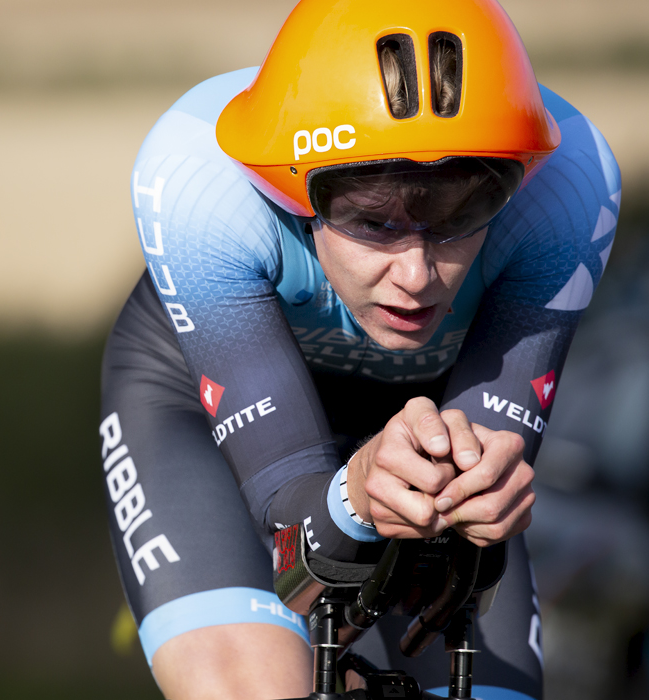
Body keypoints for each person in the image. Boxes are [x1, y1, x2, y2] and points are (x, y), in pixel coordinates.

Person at [98, 0, 621, 698]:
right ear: (289, 191)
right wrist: (350, 498)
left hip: (434, 410)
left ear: (516, 179)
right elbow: (290, 512)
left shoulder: (568, 186)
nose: (416, 276)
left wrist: (480, 493)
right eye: (371, 220)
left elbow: (477, 473)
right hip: (202, 415)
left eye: (463, 212)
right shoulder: (199, 180)